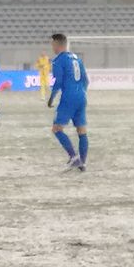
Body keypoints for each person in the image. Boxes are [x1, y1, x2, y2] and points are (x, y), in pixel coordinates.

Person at [48, 33, 89, 171]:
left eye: (52, 44)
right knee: (81, 130)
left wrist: (51, 98)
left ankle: (73, 157)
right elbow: (86, 80)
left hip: (69, 97)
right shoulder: (77, 58)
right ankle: (83, 163)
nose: (52, 47)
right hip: (81, 96)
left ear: (57, 44)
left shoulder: (58, 60)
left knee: (56, 129)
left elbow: (58, 82)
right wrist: (81, 93)